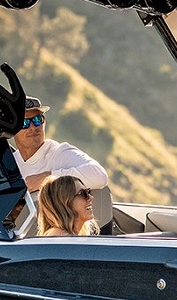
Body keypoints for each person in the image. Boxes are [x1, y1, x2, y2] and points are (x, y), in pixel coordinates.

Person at [10, 95, 108, 236]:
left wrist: (46, 177)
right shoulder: (8, 164)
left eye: (37, 120)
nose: (33, 127)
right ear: (11, 128)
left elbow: (100, 176)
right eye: (24, 123)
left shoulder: (60, 153)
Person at [35, 174, 100, 236]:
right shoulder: (60, 237)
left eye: (88, 192)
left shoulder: (64, 237)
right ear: (62, 203)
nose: (90, 197)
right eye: (82, 193)